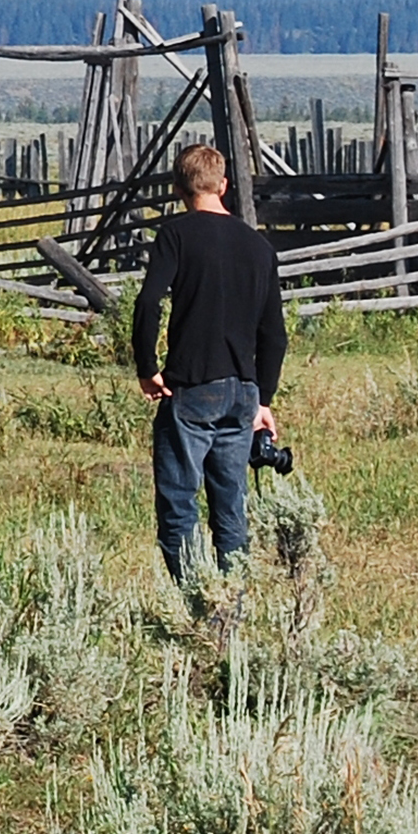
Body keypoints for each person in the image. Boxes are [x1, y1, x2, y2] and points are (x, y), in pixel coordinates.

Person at [131, 138, 285, 584]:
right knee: (230, 503)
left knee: (179, 501)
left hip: (193, 384)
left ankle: (193, 598)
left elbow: (148, 303)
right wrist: (264, 398)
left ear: (180, 188)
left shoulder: (177, 234)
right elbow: (274, 333)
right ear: (223, 185)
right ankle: (230, 601)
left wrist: (147, 366)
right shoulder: (258, 248)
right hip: (243, 390)